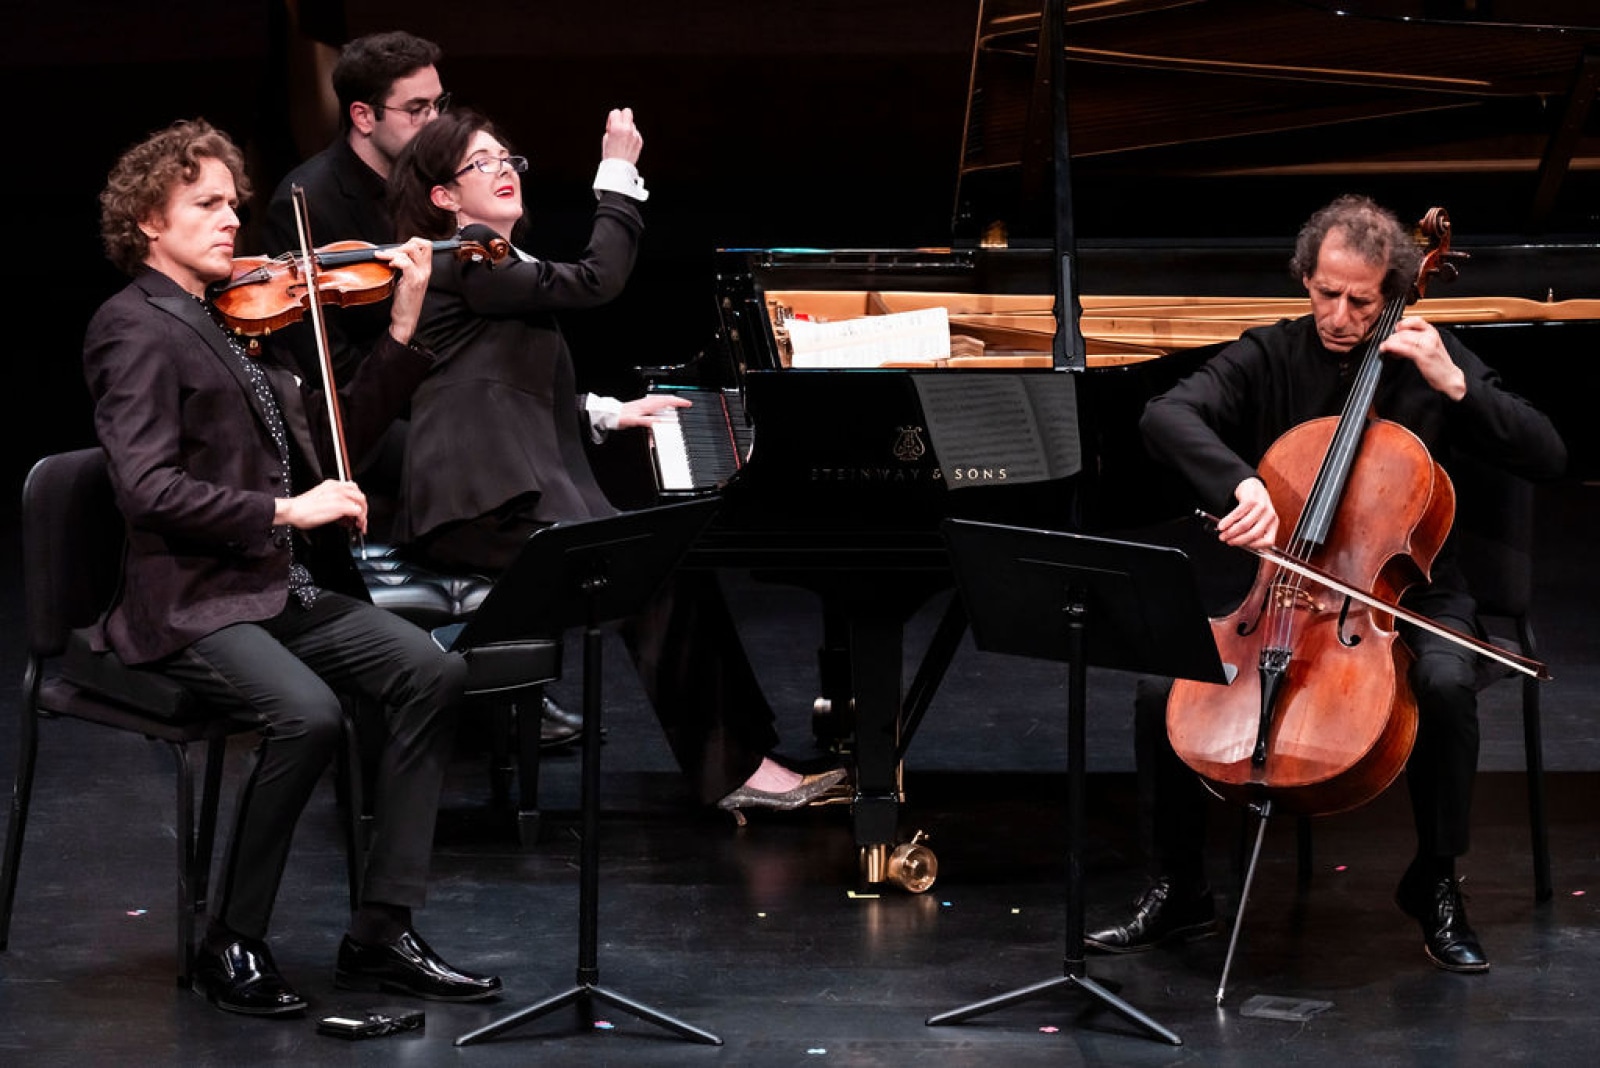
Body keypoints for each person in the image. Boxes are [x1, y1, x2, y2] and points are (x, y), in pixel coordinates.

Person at [1085, 194, 1566, 974]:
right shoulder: (1270, 353)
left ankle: (1435, 881)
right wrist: (1241, 483)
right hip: (1283, 588)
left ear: (1394, 291)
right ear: (1305, 278)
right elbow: (1165, 416)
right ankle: (1179, 889)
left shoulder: (1430, 354)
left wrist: (1456, 384)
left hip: (1407, 591)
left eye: (1361, 302)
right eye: (1325, 293)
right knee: (1160, 687)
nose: (1340, 317)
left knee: (1445, 685)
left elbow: (1548, 455)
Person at [83, 118, 501, 1016]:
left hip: (279, 588)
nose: (232, 220)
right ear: (148, 221)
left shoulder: (235, 317)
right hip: (192, 599)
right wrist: (285, 510)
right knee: (308, 716)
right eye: (206, 204)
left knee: (433, 671)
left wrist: (401, 326)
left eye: (233, 203)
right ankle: (231, 939)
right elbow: (146, 490)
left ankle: (380, 931)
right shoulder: (133, 328)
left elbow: (334, 435)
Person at [385, 105, 847, 815]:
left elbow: (498, 383)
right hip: (478, 507)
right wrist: (617, 174)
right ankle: (735, 771)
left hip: (496, 498)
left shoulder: (492, 268)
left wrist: (607, 411)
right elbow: (598, 279)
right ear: (444, 195)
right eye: (481, 163)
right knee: (652, 579)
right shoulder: (468, 255)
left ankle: (749, 758)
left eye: (507, 158)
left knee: (673, 565)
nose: (503, 169)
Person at [260, 28, 581, 751]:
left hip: (442, 402)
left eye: (439, 103)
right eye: (417, 109)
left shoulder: (444, 181)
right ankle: (486, 688)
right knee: (494, 475)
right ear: (363, 117)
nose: (436, 120)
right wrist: (445, 411)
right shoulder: (311, 199)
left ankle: (505, 679)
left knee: (526, 451)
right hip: (370, 425)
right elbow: (332, 372)